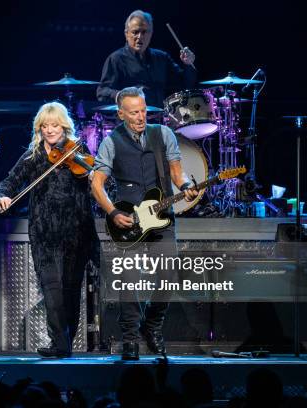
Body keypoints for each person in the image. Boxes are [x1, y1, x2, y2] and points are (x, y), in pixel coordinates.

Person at [91, 87, 199, 360]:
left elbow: (176, 172)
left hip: (162, 218)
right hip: (128, 220)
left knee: (169, 275)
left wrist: (185, 185)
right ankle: (130, 340)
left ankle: (152, 326)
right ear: (121, 114)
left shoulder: (163, 134)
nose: (141, 116)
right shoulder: (110, 141)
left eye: (143, 110)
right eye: (134, 112)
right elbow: (97, 184)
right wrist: (114, 212)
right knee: (129, 281)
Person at [0, 102, 99, 358]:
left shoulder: (79, 150)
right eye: (45, 126)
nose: (50, 130)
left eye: (55, 125)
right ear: (39, 128)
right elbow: (10, 182)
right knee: (51, 288)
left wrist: (93, 176)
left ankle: (64, 342)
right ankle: (60, 343)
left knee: (71, 289)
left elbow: (100, 182)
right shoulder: (33, 155)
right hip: (44, 232)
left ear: (64, 126)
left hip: (77, 230)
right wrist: (2, 196)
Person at [97, 10, 197, 108]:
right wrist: (122, 95)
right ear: (126, 34)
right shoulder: (116, 59)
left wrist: (188, 64)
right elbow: (102, 92)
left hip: (159, 119)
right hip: (130, 121)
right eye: (135, 32)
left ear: (151, 34)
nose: (140, 37)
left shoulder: (162, 57)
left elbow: (185, 84)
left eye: (144, 32)